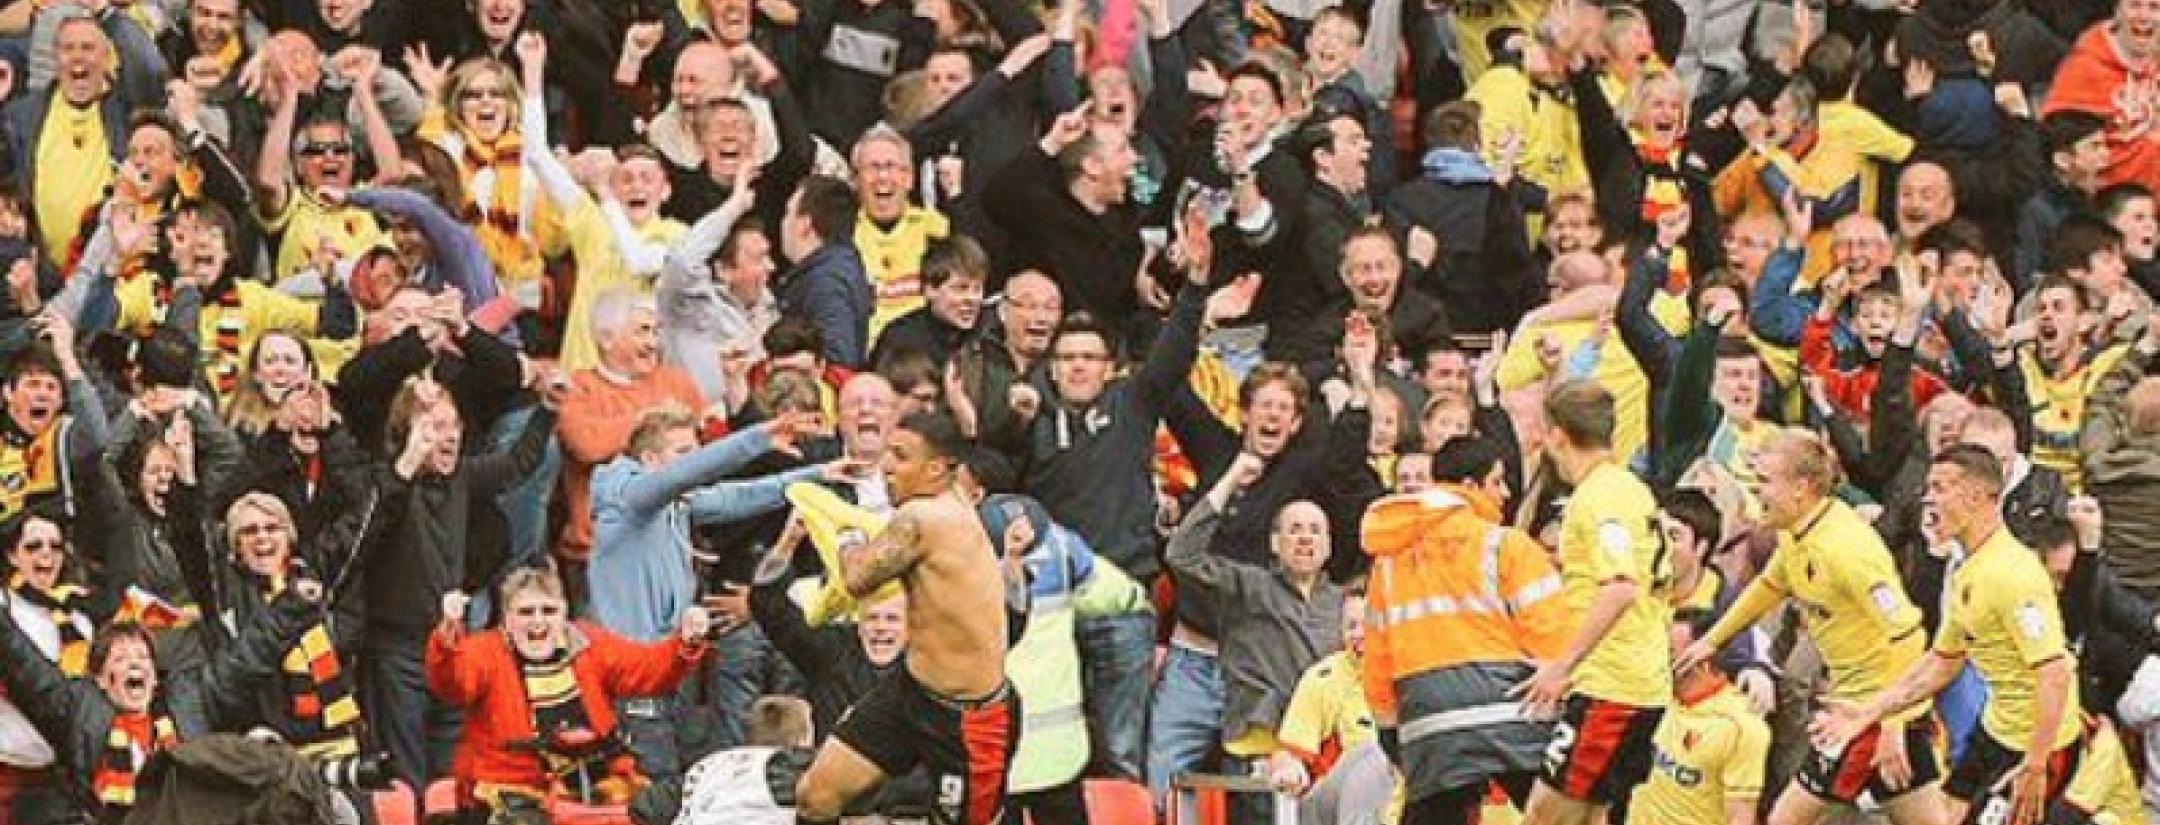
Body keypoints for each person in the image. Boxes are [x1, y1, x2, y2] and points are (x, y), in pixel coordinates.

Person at [1676, 430, 1945, 825]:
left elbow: (1908, 635)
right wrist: (1711, 642)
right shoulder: (1797, 531)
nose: (1756, 491)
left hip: (1864, 715)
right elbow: (1770, 585)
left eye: (1765, 480)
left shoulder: (1848, 550)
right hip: (1865, 709)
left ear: (1801, 487)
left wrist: (1890, 723)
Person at [1814, 446, 2085, 825]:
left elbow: (2054, 673)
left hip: (2039, 746)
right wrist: (1868, 712)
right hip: (1996, 729)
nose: (1928, 498)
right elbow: (1942, 661)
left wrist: (2037, 764)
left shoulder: (2012, 575)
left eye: (1940, 488)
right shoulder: (1966, 570)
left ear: (1975, 497)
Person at [792, 411, 1019, 825]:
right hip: (911, 691)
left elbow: (857, 577)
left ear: (934, 469)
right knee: (816, 795)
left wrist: (842, 532)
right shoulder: (947, 498)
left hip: (968, 719)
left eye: (900, 455)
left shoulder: (924, 519)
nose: (886, 466)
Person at [1359, 435, 1567, 824]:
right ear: (1470, 487)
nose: (1505, 492)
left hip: (1431, 729)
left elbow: (1377, 660)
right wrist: (1563, 706)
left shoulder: (1387, 564)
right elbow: (1552, 635)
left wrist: (1390, 732)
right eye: (1497, 481)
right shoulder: (1506, 545)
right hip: (1515, 716)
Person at [426, 566, 712, 815]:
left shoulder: (589, 642)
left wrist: (685, 642)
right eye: (526, 612)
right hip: (512, 787)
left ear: (564, 612)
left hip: (600, 779)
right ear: (507, 618)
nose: (538, 622)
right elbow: (452, 683)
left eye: (548, 611)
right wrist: (448, 636)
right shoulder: (485, 650)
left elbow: (648, 669)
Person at [1517, 379, 1671, 825]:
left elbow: (1620, 586)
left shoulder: (1599, 498)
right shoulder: (1629, 488)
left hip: (1614, 688)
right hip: (1631, 680)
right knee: (1591, 816)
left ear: (1558, 436)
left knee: (1544, 817)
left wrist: (1563, 665)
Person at [1631, 608, 1771, 825]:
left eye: (1668, 652)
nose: (1655, 658)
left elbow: (1740, 816)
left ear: (1702, 661)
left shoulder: (1741, 727)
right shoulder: (1655, 695)